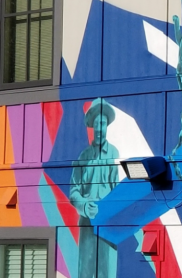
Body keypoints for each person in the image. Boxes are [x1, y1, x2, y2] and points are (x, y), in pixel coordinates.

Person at [69, 98, 120, 278]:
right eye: (97, 124)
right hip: (87, 225)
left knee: (107, 272)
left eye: (103, 123)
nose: (100, 128)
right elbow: (74, 191)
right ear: (92, 126)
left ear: (107, 126)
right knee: (85, 272)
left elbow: (118, 190)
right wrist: (83, 205)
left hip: (108, 224)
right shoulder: (83, 157)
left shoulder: (115, 154)